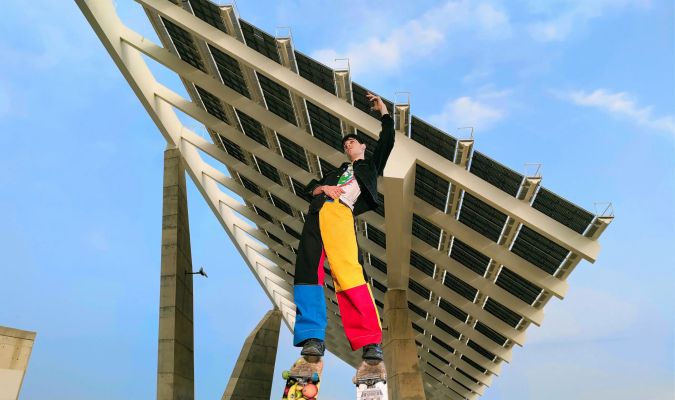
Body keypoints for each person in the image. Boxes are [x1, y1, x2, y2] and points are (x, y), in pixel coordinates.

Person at [292, 92, 394, 361]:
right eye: (346, 144)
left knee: (349, 273)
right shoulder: (334, 172)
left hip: (341, 213)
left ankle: (370, 341)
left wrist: (384, 112)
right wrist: (323, 188)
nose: (348, 145)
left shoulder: (370, 166)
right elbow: (310, 188)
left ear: (362, 146)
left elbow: (388, 140)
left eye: (352, 142)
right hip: (318, 214)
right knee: (307, 271)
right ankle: (312, 337)